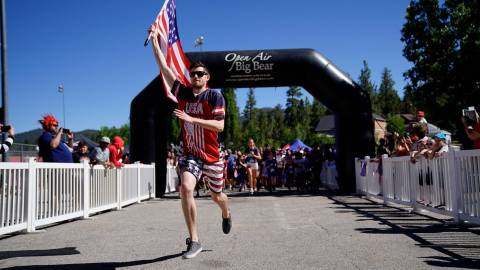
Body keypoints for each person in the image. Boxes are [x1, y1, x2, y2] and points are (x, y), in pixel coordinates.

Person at [150, 27, 231, 259]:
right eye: (193, 73)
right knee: (186, 188)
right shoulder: (183, 93)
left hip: (212, 156)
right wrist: (156, 42)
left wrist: (191, 118)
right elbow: (165, 70)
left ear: (207, 78)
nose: (195, 77)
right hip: (191, 154)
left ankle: (226, 212)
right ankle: (194, 240)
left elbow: (219, 127)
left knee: (218, 196)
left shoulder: (214, 96)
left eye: (200, 74)